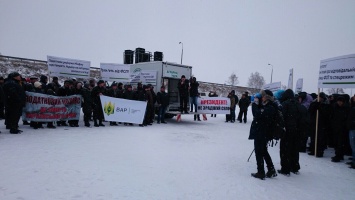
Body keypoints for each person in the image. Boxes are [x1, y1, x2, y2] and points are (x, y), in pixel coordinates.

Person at [249, 90, 277, 180]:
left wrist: (254, 105)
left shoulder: (270, 107)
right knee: (264, 151)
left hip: (262, 133)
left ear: (267, 97)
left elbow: (257, 114)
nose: (262, 97)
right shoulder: (268, 105)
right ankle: (271, 169)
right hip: (262, 132)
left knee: (259, 152)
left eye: (263, 96)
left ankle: (261, 172)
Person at [278, 89, 302, 176]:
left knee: (285, 149)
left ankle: (285, 169)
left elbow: (281, 117)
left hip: (287, 130)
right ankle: (295, 167)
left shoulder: (285, 104)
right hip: (297, 130)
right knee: (294, 149)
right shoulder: (298, 104)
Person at [308, 92, 332, 157]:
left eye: (321, 97)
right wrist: (316, 105)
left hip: (322, 124)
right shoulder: (314, 103)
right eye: (319, 97)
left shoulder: (326, 104)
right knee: (313, 137)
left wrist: (320, 107)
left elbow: (326, 114)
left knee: (320, 139)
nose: (319, 98)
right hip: (314, 123)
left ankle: (319, 151)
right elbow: (310, 111)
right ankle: (313, 150)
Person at [330, 96, 349, 162]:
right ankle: (338, 155)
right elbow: (332, 116)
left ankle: (339, 156)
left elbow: (347, 118)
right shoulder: (335, 107)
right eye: (338, 101)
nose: (339, 102)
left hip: (343, 128)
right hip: (335, 127)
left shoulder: (346, 108)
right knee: (336, 142)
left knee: (340, 143)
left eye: (340, 101)